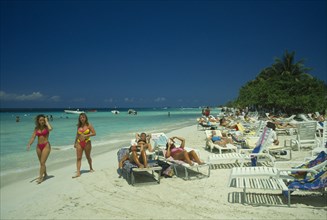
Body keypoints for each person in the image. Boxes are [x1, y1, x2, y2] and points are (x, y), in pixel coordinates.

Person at [27, 114, 53, 184]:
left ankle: (40, 177)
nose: (42, 121)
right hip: (38, 147)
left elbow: (51, 129)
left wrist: (47, 122)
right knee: (41, 163)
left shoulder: (47, 127)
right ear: (38, 121)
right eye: (40, 120)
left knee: (42, 162)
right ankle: (45, 174)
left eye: (43, 120)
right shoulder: (36, 129)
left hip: (46, 146)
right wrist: (29, 144)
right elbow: (33, 137)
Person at [73, 113, 96, 178]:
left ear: (85, 118)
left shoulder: (89, 125)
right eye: (80, 118)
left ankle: (91, 168)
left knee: (88, 156)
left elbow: (94, 133)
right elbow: (77, 135)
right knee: (78, 158)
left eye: (83, 117)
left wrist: (86, 135)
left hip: (87, 142)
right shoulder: (79, 126)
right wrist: (75, 143)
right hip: (79, 142)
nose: (82, 119)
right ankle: (78, 172)